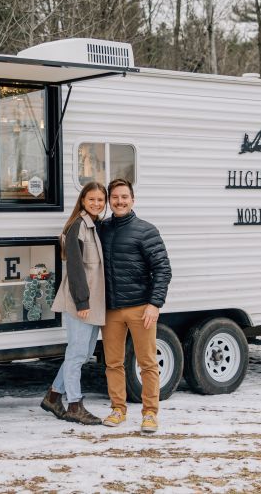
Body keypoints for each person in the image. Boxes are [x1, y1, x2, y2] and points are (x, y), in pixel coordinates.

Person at [99, 178, 172, 433]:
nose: (119, 201)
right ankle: (118, 409)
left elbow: (163, 269)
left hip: (141, 308)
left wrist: (154, 304)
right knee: (113, 363)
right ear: (109, 201)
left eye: (124, 197)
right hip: (110, 310)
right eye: (115, 197)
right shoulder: (102, 229)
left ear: (132, 200)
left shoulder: (146, 230)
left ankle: (150, 414)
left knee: (147, 363)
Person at [41, 181, 108, 425]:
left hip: (92, 303)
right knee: (77, 353)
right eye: (92, 199)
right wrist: (82, 302)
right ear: (82, 200)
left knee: (83, 352)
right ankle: (74, 405)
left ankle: (53, 396)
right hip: (81, 302)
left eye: (101, 200)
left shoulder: (94, 226)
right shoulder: (76, 227)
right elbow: (76, 269)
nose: (97, 204)